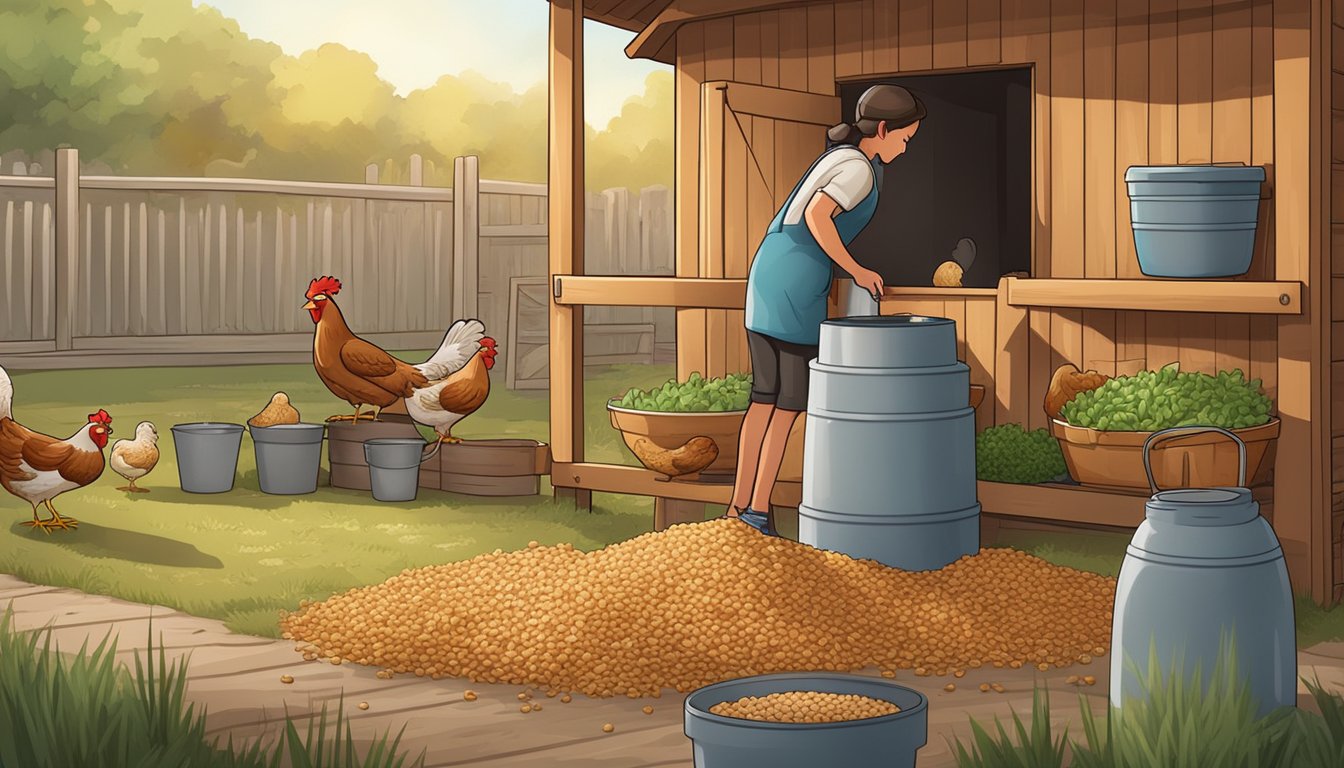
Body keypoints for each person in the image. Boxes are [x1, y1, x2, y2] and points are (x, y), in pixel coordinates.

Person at [726, 84, 925, 535]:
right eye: (905, 139)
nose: (905, 148)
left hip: (766, 280)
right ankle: (757, 510)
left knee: (763, 398)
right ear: (884, 129)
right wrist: (855, 269)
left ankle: (738, 507)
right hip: (795, 288)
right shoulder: (858, 168)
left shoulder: (838, 157)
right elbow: (818, 215)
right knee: (787, 404)